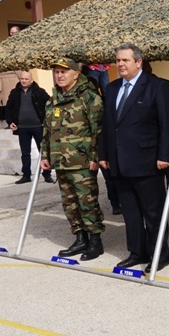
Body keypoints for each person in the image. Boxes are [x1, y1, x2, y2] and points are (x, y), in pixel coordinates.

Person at [98, 44, 169, 273]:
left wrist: (164, 155)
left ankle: (159, 254)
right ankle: (136, 252)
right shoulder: (112, 88)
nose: (120, 64)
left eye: (125, 60)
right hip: (119, 162)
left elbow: (167, 124)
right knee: (131, 213)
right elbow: (108, 125)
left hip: (148, 162)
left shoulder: (157, 86)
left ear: (139, 62)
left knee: (153, 213)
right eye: (118, 61)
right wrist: (104, 154)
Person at [40, 58, 105, 261]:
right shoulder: (53, 100)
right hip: (60, 160)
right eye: (57, 72)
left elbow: (98, 130)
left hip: (82, 161)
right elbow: (47, 131)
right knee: (69, 202)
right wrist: (45, 155)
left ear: (76, 74)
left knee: (87, 202)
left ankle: (95, 241)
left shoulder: (89, 97)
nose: (59, 75)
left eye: (64, 72)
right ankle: (80, 238)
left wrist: (95, 156)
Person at [7, 70, 54, 184]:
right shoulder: (14, 92)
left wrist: (47, 121)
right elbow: (8, 108)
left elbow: (50, 105)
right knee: (25, 153)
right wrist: (10, 122)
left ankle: (47, 174)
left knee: (43, 151)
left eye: (26, 79)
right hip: (22, 128)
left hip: (38, 127)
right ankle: (26, 175)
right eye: (22, 79)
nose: (23, 81)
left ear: (31, 80)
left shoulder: (40, 92)